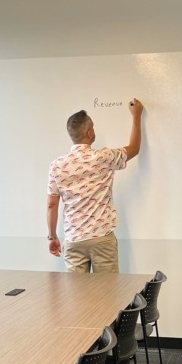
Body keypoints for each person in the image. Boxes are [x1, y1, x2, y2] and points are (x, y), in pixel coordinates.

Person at [46, 98, 143, 272]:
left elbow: (51, 205)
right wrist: (136, 116)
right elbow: (134, 149)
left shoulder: (57, 165)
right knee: (106, 294)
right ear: (90, 133)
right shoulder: (103, 157)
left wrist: (52, 237)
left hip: (74, 239)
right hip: (101, 237)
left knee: (76, 297)